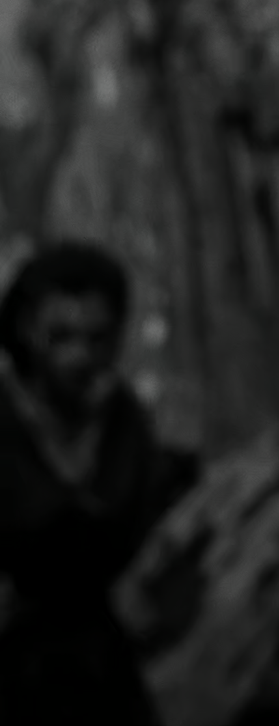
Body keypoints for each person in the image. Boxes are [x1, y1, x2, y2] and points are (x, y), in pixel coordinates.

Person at [0, 240, 198, 726]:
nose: (79, 357)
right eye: (61, 337)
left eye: (97, 338)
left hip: (108, 664)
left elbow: (144, 523)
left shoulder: (120, 417)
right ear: (26, 332)